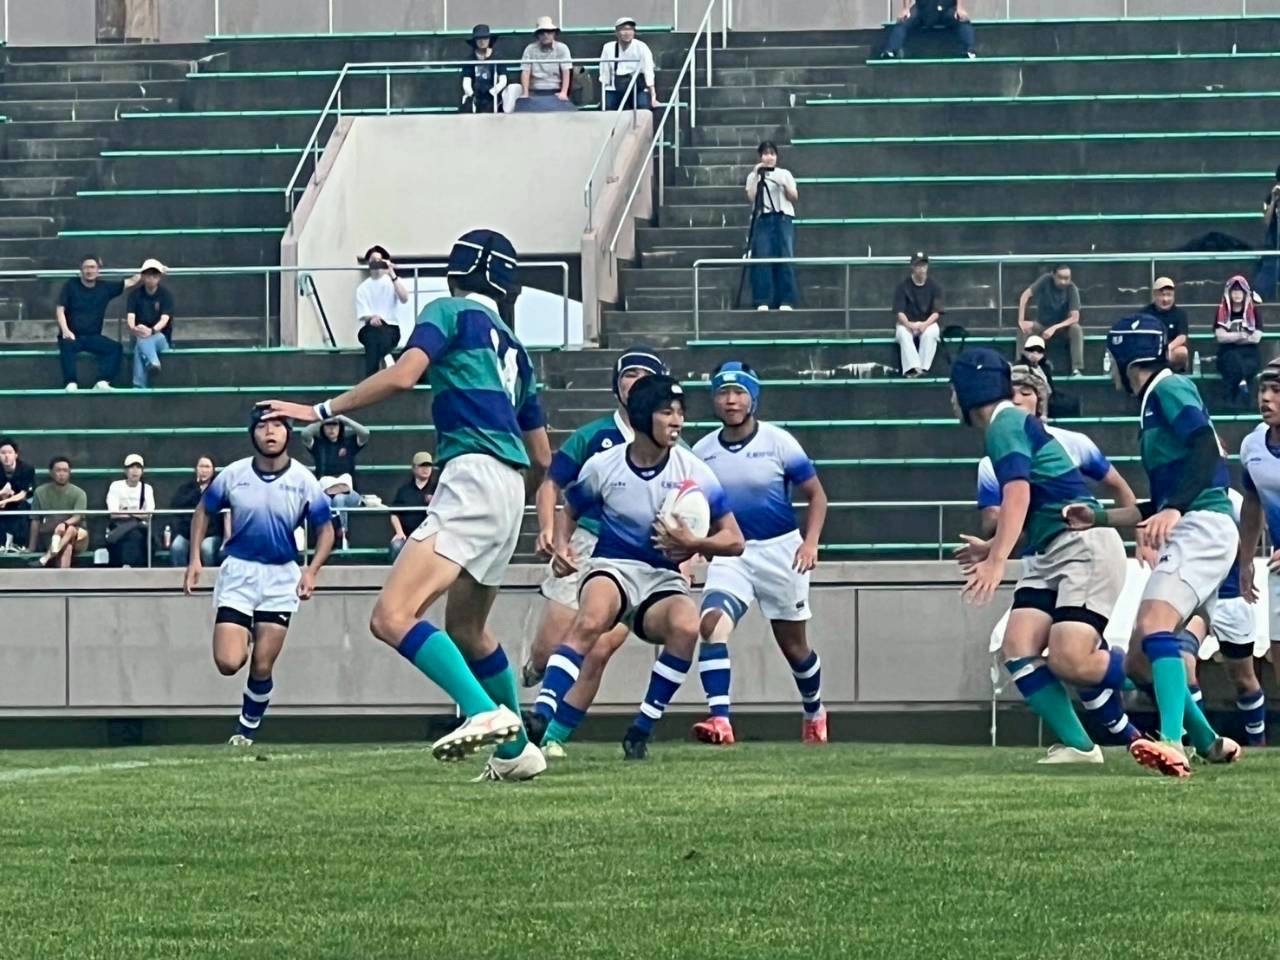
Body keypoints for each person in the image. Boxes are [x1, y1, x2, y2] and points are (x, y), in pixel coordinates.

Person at [258, 228, 551, 782]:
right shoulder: (515, 347)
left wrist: (319, 410)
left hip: (473, 473)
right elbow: (542, 455)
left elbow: (404, 374)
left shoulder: (448, 312)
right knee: (468, 629)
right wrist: (518, 501)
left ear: (455, 273)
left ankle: (485, 713)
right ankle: (517, 749)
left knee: (391, 616)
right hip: (512, 489)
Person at [527, 374, 745, 761]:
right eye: (667, 412)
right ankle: (541, 715)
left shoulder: (693, 472)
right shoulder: (605, 465)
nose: (677, 421)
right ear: (643, 416)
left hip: (662, 578)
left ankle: (641, 729)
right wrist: (561, 546)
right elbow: (571, 509)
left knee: (686, 625)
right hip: (613, 566)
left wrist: (694, 543)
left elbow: (735, 539)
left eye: (680, 413)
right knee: (593, 617)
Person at [1065, 313, 1242, 777]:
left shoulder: (1169, 388)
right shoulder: (1154, 402)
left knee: (1154, 625)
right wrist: (1098, 518)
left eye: (1111, 359)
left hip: (1202, 525)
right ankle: (1208, 741)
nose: (1109, 369)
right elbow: (1159, 503)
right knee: (1141, 659)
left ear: (1127, 360)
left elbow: (1206, 448)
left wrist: (1176, 509)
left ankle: (1172, 742)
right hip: (1195, 523)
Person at [950, 349, 1130, 766]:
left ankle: (1154, 671)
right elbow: (1040, 503)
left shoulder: (1003, 424)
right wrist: (992, 547)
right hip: (1051, 548)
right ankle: (1081, 746)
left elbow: (1018, 493)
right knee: (1017, 645)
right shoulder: (1009, 424)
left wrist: (997, 560)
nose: (952, 400)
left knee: (1071, 660)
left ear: (967, 392)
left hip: (1080, 547)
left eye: (953, 391)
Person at [522, 346, 667, 759]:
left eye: (645, 375)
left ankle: (552, 736)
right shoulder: (593, 436)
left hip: (637, 554)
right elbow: (552, 483)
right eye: (628, 374)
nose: (635, 382)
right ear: (616, 386)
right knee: (548, 650)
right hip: (585, 542)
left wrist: (688, 556)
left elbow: (695, 502)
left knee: (598, 649)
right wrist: (550, 531)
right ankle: (537, 669)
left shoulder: (675, 445)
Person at [688, 362, 831, 746]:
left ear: (753, 398)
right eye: (723, 393)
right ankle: (720, 719)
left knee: (794, 648)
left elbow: (817, 495)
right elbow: (693, 508)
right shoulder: (702, 452)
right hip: (731, 552)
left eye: (738, 392)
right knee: (712, 625)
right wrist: (694, 550)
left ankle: (814, 710)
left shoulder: (779, 442)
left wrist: (810, 543)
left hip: (781, 552)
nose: (730, 400)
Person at [183, 409, 335, 746]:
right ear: (252, 433)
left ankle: (246, 730)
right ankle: (245, 631)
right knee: (228, 662)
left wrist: (312, 570)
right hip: (239, 571)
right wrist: (194, 558)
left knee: (262, 666)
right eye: (263, 426)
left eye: (277, 425)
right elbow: (204, 510)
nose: (270, 432)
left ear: (288, 434)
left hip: (280, 576)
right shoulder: (234, 474)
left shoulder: (303, 480)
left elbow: (326, 531)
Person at [1235, 359, 1280, 745]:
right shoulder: (1252, 445)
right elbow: (1252, 502)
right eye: (1263, 390)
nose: (1266, 398)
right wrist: (1246, 559)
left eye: (1277, 391)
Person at [57, 255, 140, 391]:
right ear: (81, 270)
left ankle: (102, 381)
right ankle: (71, 382)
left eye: (92, 267)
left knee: (115, 348)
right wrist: (65, 330)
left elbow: (131, 281)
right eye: (86, 267)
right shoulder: (71, 285)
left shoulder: (104, 288)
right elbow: (60, 309)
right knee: (66, 346)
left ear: (98, 270)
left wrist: (153, 268)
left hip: (93, 336)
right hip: (72, 335)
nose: (89, 270)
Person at [745, 141, 799, 313]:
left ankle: (787, 299)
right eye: (765, 154)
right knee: (762, 257)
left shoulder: (785, 174)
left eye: (772, 154)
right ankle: (763, 299)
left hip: (783, 217)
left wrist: (784, 185)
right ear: (760, 157)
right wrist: (756, 175)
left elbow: (794, 197)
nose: (769, 157)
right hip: (763, 218)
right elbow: (751, 197)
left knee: (785, 256)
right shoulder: (754, 176)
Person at [302, 415, 370, 547]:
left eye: (335, 425)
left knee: (339, 498)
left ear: (340, 427)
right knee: (331, 499)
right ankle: (339, 536)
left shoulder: (348, 443)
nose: (332, 429)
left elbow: (365, 433)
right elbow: (305, 433)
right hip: (325, 495)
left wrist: (344, 419)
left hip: (350, 495)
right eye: (328, 425)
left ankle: (341, 534)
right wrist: (323, 420)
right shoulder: (319, 445)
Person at [1017, 265, 1084, 377]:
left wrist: (1054, 328)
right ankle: (1021, 366)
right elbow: (1025, 296)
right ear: (1053, 275)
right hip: (1041, 325)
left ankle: (1077, 368)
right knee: (1023, 329)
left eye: (1067, 278)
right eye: (1060, 277)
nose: (1063, 281)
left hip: (1062, 328)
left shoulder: (1072, 289)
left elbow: (1075, 317)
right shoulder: (1045, 280)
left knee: (1076, 329)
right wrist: (1021, 320)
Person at [354, 246, 408, 376]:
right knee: (371, 335)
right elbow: (363, 314)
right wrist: (372, 318)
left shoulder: (393, 282)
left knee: (375, 340)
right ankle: (386, 359)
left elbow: (404, 298)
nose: (376, 263)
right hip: (370, 328)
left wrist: (392, 274)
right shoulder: (362, 288)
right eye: (373, 261)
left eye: (379, 260)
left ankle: (371, 376)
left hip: (390, 328)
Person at [28, 456, 89, 568]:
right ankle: (61, 577)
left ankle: (46, 558)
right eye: (58, 470)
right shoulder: (40, 492)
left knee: (70, 529)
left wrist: (64, 524)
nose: (62, 474)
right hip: (52, 536)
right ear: (51, 472)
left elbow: (77, 517)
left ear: (69, 472)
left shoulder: (79, 493)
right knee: (67, 547)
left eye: (65, 470)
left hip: (78, 537)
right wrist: (32, 547)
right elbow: (35, 520)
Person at [169, 455, 228, 568]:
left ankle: (209, 578)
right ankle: (181, 578)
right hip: (188, 533)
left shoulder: (218, 488)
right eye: (201, 466)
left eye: (207, 467)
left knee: (206, 548)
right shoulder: (187, 488)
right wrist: (198, 489)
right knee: (177, 546)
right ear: (196, 469)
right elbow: (177, 504)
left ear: (213, 470)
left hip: (211, 534)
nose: (204, 470)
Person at [1214, 274, 1263, 408]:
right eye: (1234, 291)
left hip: (1249, 354)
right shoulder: (1221, 311)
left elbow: (1256, 337)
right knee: (1232, 359)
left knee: (1242, 364)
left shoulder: (1254, 311)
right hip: (1227, 353)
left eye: (1240, 291)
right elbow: (1220, 337)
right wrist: (1242, 335)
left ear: (1245, 293)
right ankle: (1242, 388)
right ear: (1228, 293)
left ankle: (1231, 400)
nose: (1237, 294)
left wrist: (1232, 337)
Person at [126, 258, 175, 388]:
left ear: (159, 277)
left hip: (161, 338)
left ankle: (139, 383)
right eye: (148, 275)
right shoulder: (134, 295)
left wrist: (151, 331)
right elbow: (130, 318)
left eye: (154, 275)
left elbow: (164, 320)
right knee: (141, 342)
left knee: (143, 340)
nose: (151, 278)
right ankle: (151, 364)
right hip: (140, 336)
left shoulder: (166, 295)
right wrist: (135, 328)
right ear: (143, 276)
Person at [893, 251, 943, 377]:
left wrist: (925, 325)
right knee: (903, 333)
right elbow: (899, 312)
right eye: (918, 266)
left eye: (924, 265)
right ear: (912, 267)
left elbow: (936, 312)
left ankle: (923, 369)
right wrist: (909, 325)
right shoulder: (902, 286)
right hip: (907, 323)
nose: (921, 269)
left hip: (927, 322)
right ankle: (913, 369)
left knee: (932, 332)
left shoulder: (935, 287)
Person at [105, 453, 154, 568]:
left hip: (141, 528)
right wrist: (136, 513)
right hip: (119, 527)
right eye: (131, 467)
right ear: (125, 471)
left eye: (138, 467)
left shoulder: (147, 489)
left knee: (136, 535)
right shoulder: (116, 486)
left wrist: (126, 511)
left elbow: (149, 513)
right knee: (132, 535)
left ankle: (128, 566)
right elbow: (113, 513)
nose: (135, 471)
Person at [883, 0, 975, 59]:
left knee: (962, 20)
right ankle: (891, 50)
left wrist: (959, 8)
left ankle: (969, 50)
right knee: (904, 20)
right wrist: (906, 9)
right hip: (923, 8)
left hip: (947, 7)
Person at [600, 16, 657, 110]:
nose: (627, 33)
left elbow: (648, 70)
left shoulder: (641, 47)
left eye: (630, 29)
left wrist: (653, 96)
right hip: (615, 87)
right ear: (617, 32)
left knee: (643, 106)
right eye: (623, 29)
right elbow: (604, 72)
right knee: (608, 106)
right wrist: (604, 92)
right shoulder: (608, 48)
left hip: (637, 87)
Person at [388, 451, 437, 560]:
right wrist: (399, 532)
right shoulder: (404, 490)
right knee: (396, 546)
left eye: (428, 465)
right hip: (407, 537)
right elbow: (394, 514)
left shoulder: (437, 489)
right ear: (414, 468)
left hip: (430, 538)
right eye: (422, 465)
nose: (426, 469)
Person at [518, 16, 573, 112]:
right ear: (537, 35)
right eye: (542, 32)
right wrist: (525, 93)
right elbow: (525, 72)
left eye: (549, 31)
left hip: (555, 91)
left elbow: (566, 71)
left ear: (554, 33)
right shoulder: (530, 49)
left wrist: (564, 92)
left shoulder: (562, 48)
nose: (545, 35)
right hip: (534, 91)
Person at [460, 24, 509, 114]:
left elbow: (503, 80)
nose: (482, 41)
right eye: (479, 39)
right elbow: (466, 81)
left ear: (489, 40)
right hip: (475, 96)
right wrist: (472, 95)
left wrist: (493, 92)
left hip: (493, 95)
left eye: (485, 38)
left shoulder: (498, 58)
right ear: (475, 41)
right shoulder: (469, 59)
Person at [1145, 277, 1189, 372]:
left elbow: (1182, 336)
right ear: (1154, 295)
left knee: (1182, 352)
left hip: (1171, 349)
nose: (1165, 299)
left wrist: (1168, 348)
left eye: (1169, 295)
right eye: (1162, 295)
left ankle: (1176, 375)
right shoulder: (1145, 314)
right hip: (1150, 349)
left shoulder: (1180, 314)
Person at [0, 438, 36, 553]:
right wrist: (2, 494)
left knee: (25, 507)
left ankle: (20, 543)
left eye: (10, 453)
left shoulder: (27, 469)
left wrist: (5, 501)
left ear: (16, 454)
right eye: (3, 453)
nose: (6, 456)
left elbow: (23, 494)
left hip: (20, 502)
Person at [1252, 165, 1280, 302]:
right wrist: (1274, 201)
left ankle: (1260, 291)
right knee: (1270, 262)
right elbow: (1266, 222)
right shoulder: (1271, 197)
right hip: (1274, 242)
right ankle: (1259, 292)